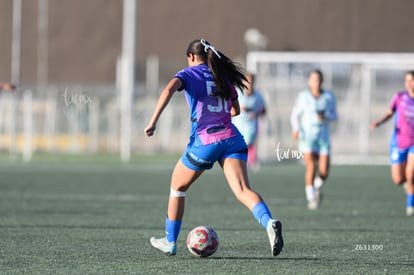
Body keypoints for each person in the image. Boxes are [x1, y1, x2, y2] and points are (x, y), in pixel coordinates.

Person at [144, 39, 283, 256]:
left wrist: (153, 121)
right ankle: (269, 222)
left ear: (191, 57)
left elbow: (169, 89)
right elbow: (235, 111)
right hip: (232, 138)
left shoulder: (189, 74)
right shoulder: (223, 76)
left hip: (206, 141)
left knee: (177, 187)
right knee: (243, 190)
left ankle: (170, 242)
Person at [290, 70, 337, 210]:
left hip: (323, 137)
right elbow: (294, 115)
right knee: (311, 166)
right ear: (309, 81)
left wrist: (326, 117)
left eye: (319, 79)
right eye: (314, 79)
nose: (316, 82)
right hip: (307, 137)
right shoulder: (303, 97)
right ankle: (311, 197)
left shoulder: (328, 97)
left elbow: (335, 115)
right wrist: (296, 129)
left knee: (324, 171)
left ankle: (316, 187)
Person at [370, 70, 414, 216]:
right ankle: (409, 186)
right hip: (398, 142)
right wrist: (379, 122)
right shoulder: (399, 97)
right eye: (407, 80)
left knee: (410, 173)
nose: (409, 83)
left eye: (412, 80)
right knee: (398, 179)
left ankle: (410, 205)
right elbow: (390, 112)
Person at [232, 73, 266, 170]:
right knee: (238, 146)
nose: (249, 83)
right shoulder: (238, 93)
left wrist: (255, 113)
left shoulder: (258, 96)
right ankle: (243, 163)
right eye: (247, 80)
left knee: (247, 144)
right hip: (238, 124)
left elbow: (263, 110)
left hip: (251, 126)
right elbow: (230, 106)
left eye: (251, 80)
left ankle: (247, 163)